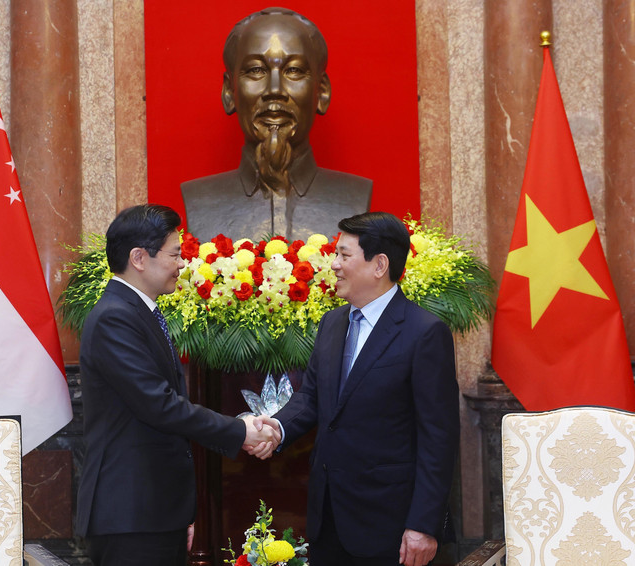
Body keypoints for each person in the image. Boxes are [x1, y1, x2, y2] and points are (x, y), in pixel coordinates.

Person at [75, 204, 278, 566]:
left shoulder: (139, 311)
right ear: (139, 257)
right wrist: (238, 429)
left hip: (154, 511)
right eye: (174, 254)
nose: (182, 264)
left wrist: (178, 512)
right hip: (131, 515)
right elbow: (160, 406)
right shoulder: (115, 319)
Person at [260, 212, 460, 566]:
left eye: (344, 255)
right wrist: (277, 427)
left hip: (391, 527)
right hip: (329, 519)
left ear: (379, 264)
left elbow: (438, 437)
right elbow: (311, 398)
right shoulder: (333, 323)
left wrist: (423, 525)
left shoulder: (424, 333)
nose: (333, 265)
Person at [181, 7, 371, 242]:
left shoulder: (355, 196)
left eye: (293, 70)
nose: (274, 91)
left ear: (321, 92)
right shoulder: (199, 200)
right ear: (229, 92)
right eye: (256, 70)